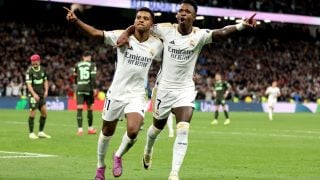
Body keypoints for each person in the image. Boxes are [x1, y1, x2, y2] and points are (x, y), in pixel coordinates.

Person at [117, 0, 256, 179]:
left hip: (185, 89)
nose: (182, 13)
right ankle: (148, 148)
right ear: (177, 15)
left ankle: (174, 174)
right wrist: (126, 33)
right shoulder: (165, 29)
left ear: (194, 16)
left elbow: (220, 33)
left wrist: (241, 26)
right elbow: (141, 26)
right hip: (164, 89)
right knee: (156, 128)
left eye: (187, 11)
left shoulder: (199, 35)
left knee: (183, 128)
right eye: (180, 11)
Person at [64, 6, 163, 180]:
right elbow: (95, 33)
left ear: (152, 24)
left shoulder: (156, 44)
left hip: (137, 95)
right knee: (106, 132)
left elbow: (170, 59)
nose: (141, 20)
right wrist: (76, 21)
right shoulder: (121, 36)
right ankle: (100, 166)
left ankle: (117, 156)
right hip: (116, 93)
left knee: (133, 130)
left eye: (145, 18)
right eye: (138, 17)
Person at [26, 54, 51, 139]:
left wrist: (46, 90)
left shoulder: (43, 70)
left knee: (44, 113)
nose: (34, 63)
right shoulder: (29, 71)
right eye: (32, 62)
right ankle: (31, 133)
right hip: (33, 95)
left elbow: (45, 81)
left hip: (41, 95)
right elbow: (29, 85)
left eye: (35, 61)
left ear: (39, 61)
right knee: (33, 114)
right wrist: (34, 94)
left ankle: (40, 132)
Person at [73, 50, 98, 135]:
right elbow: (93, 77)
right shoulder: (92, 65)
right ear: (89, 57)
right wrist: (94, 88)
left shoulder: (77, 65)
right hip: (88, 88)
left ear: (83, 57)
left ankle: (80, 130)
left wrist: (77, 85)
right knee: (90, 108)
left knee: (79, 108)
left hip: (79, 88)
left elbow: (75, 77)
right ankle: (90, 129)